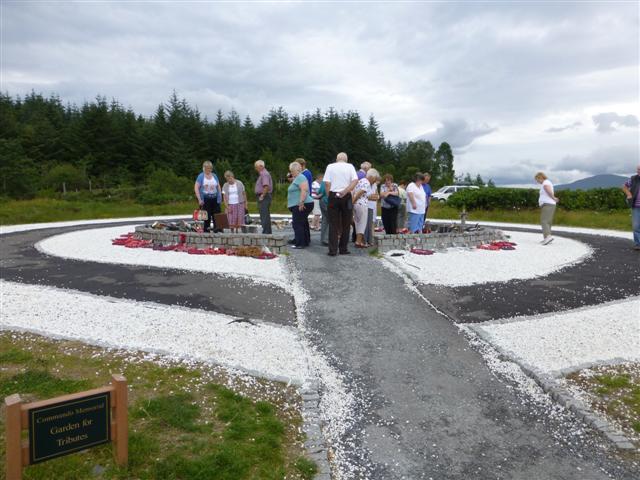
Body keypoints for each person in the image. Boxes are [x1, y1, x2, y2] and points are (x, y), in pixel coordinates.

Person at [324, 152, 359, 256]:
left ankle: (333, 250)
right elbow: (355, 180)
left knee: (333, 224)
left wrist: (329, 195)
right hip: (346, 196)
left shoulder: (330, 166)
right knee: (346, 223)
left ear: (337, 159)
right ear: (346, 159)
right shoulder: (350, 166)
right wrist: (346, 190)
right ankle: (343, 249)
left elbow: (326, 183)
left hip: (333, 195)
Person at [287, 161, 314, 249]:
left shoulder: (301, 177)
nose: (291, 173)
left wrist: (301, 202)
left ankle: (300, 243)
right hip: (301, 203)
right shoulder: (298, 178)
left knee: (297, 223)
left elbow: (304, 190)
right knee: (303, 223)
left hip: (303, 203)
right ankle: (304, 241)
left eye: (292, 171)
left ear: (296, 170)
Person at [194, 161, 222, 233]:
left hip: (215, 198)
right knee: (206, 216)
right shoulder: (201, 176)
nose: (208, 170)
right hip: (205, 199)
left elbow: (218, 186)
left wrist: (220, 196)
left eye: (210, 168)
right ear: (204, 168)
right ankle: (206, 231)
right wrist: (199, 199)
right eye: (207, 168)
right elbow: (196, 187)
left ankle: (218, 231)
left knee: (217, 215)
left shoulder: (214, 175)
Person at [353, 169, 379, 247]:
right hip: (362, 204)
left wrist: (353, 202)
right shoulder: (367, 182)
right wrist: (353, 201)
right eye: (375, 178)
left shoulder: (361, 180)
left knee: (357, 223)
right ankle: (358, 242)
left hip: (357, 204)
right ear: (371, 176)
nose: (375, 180)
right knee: (362, 224)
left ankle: (359, 241)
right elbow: (360, 192)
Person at [535, 172, 559, 245]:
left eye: (537, 179)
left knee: (544, 221)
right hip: (548, 204)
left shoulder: (546, 183)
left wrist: (553, 198)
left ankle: (548, 237)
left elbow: (547, 189)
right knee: (548, 221)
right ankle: (547, 238)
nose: (537, 181)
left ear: (540, 177)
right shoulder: (547, 182)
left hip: (547, 204)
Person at [622, 164, 640, 250]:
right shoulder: (633, 178)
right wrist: (629, 194)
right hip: (636, 206)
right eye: (638, 170)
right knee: (636, 226)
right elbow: (624, 187)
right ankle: (638, 244)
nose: (638, 171)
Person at [254, 159, 273, 234]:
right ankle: (267, 231)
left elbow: (266, 186)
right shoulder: (263, 174)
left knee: (264, 215)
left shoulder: (264, 174)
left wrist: (262, 195)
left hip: (264, 196)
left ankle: (266, 232)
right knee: (264, 214)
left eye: (256, 167)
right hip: (265, 196)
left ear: (261, 166)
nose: (255, 169)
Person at [316, 177, 330, 245]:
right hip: (328, 202)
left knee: (325, 220)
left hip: (322, 201)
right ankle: (326, 239)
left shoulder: (324, 180)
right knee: (330, 221)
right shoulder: (332, 180)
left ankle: (323, 239)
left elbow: (319, 192)